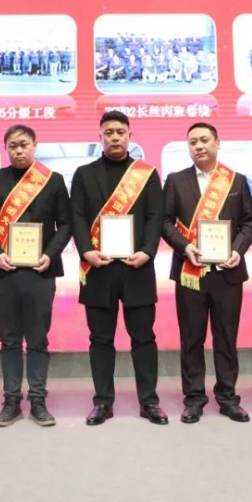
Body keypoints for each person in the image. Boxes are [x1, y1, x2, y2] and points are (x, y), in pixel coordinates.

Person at [71, 111, 168, 426]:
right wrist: (86, 250)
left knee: (144, 338)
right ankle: (102, 402)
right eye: (109, 132)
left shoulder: (146, 173)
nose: (115, 137)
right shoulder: (84, 174)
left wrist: (147, 252)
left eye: (120, 132)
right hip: (98, 268)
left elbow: (155, 216)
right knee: (100, 339)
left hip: (137, 267)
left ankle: (149, 402)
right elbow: (77, 216)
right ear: (100, 136)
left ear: (129, 135)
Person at [0, 125, 71, 427]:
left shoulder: (53, 180)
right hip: (4, 271)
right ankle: (12, 400)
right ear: (6, 148)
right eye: (13, 146)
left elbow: (66, 223)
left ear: (35, 145)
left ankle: (39, 399)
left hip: (41, 271)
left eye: (24, 144)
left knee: (38, 339)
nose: (19, 150)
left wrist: (50, 254)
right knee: (10, 340)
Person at [162, 122, 252, 423]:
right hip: (190, 271)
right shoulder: (176, 181)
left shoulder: (236, 181)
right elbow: (165, 222)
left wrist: (237, 250)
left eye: (204, 140)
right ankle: (193, 398)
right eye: (193, 142)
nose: (199, 146)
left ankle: (228, 397)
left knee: (226, 337)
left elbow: (249, 222)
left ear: (217, 142)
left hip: (227, 272)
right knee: (191, 338)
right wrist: (185, 247)